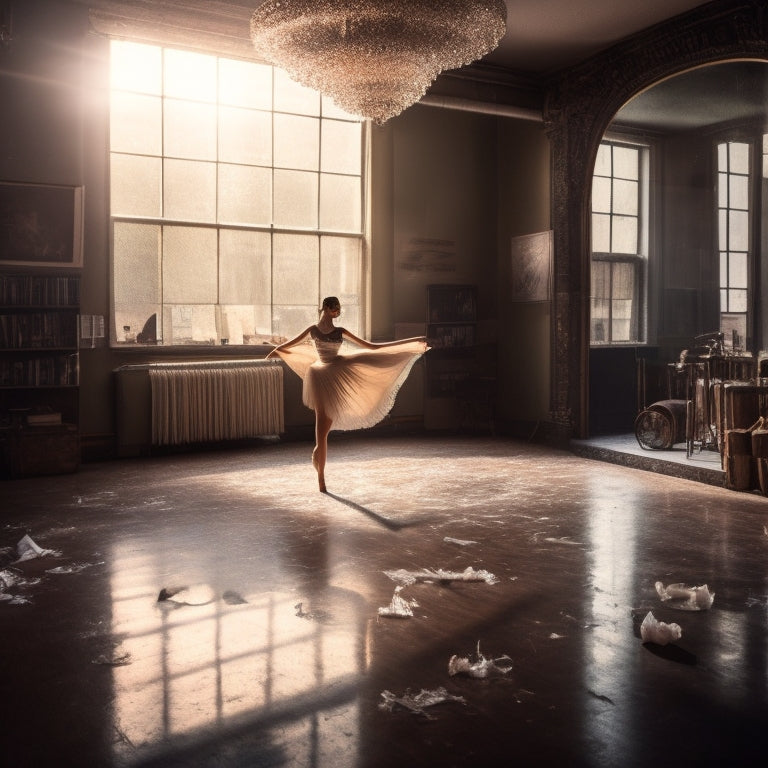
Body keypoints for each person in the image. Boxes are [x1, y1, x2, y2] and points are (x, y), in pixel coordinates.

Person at [266, 297, 428, 492]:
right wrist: (276, 352)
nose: (337, 313)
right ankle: (321, 478)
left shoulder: (340, 332)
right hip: (319, 377)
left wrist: (410, 344)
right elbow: (290, 346)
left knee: (324, 431)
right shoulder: (313, 330)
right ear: (325, 308)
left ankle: (318, 458)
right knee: (321, 432)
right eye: (334, 309)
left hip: (337, 373)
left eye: (338, 310)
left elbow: (373, 347)